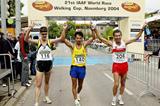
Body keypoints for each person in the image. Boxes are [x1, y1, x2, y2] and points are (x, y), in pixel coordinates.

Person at [95, 24, 146, 106]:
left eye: (119, 35)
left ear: (121, 36)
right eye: (116, 36)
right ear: (114, 37)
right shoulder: (112, 44)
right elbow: (101, 38)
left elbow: (136, 38)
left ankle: (120, 97)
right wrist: (95, 30)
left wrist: (142, 29)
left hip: (124, 65)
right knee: (116, 84)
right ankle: (114, 98)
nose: (118, 37)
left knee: (123, 83)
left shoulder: (124, 42)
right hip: (116, 66)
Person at [25, 22, 67, 106]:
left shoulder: (50, 41)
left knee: (47, 82)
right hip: (40, 65)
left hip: (48, 64)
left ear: (47, 33)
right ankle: (36, 102)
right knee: (38, 84)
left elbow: (62, 38)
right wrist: (30, 29)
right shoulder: (38, 42)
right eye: (43, 34)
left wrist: (64, 29)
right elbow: (26, 39)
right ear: (40, 34)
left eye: (45, 34)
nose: (44, 35)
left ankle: (46, 97)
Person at [62, 24, 96, 106]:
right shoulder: (72, 46)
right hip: (74, 68)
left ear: (82, 39)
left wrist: (92, 30)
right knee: (74, 85)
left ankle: (77, 93)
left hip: (82, 69)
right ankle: (76, 100)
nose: (79, 39)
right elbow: (63, 39)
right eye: (77, 38)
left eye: (80, 38)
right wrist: (64, 29)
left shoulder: (84, 45)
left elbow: (93, 38)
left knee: (80, 86)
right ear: (75, 39)